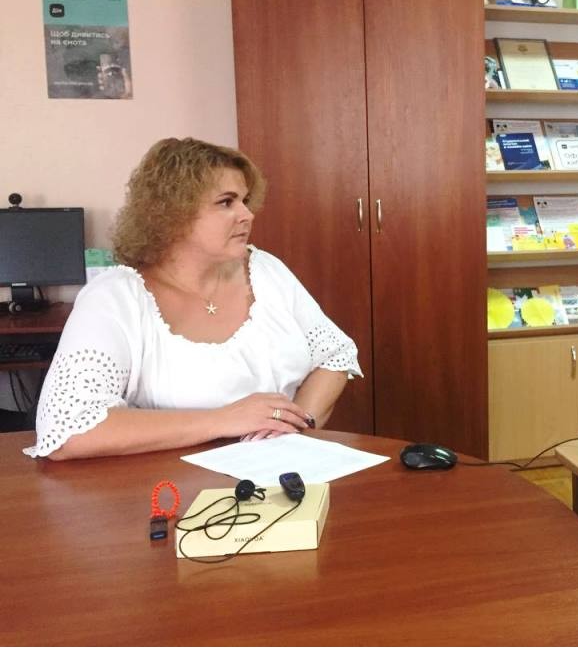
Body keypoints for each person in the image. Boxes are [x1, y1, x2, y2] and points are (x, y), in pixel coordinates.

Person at [27, 137, 361, 460]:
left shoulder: (266, 270)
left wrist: (292, 427)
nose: (247, 214)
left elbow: (334, 356)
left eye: (245, 200)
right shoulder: (115, 297)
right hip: (169, 488)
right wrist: (225, 419)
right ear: (172, 213)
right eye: (226, 202)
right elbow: (66, 429)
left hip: (279, 474)